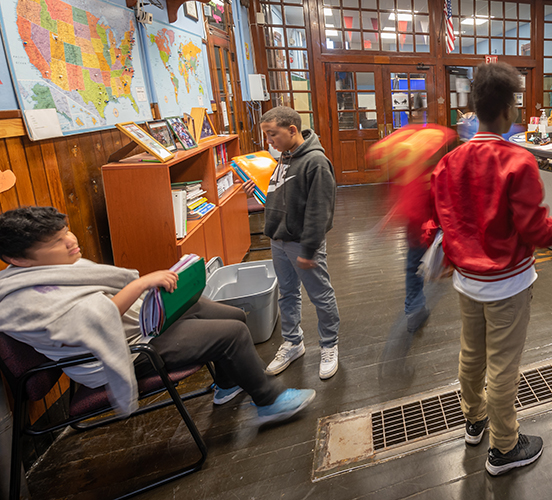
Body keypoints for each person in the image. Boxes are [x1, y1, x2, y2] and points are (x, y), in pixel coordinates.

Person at [0, 206, 315, 425]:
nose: (71, 241)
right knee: (230, 336)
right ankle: (268, 402)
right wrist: (140, 285)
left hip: (137, 327)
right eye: (56, 241)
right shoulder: (22, 301)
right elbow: (96, 322)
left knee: (234, 315)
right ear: (18, 260)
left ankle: (227, 384)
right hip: (119, 353)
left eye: (65, 232)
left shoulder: (51, 266)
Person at [423, 62, 552, 476]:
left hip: (466, 282)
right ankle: (504, 447)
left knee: (471, 355)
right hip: (507, 283)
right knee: (503, 367)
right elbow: (536, 230)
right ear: (509, 109)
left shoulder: (449, 162)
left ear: (474, 108)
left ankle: (474, 421)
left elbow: (438, 218)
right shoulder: (518, 161)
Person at [257, 106, 341, 380]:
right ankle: (293, 342)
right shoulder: (285, 156)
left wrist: (308, 250)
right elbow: (282, 197)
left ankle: (329, 345)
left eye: (273, 135)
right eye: (267, 136)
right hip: (279, 240)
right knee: (287, 293)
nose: (270, 141)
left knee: (320, 295)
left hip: (303, 243)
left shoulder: (315, 162)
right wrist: (258, 193)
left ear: (292, 130)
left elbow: (320, 212)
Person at [366, 99, 456, 333]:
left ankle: (414, 307)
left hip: (414, 219)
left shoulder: (402, 148)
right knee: (433, 257)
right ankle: (419, 303)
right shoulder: (432, 150)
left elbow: (399, 191)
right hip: (431, 217)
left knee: (413, 264)